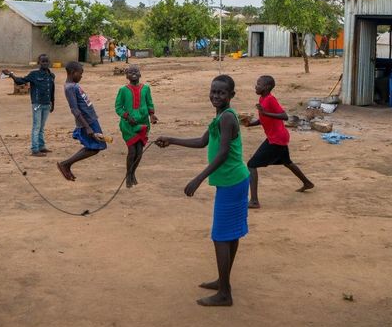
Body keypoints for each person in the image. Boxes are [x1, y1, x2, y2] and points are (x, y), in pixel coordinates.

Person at [155, 75, 249, 307]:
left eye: (222, 93)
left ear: (231, 96)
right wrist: (171, 140)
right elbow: (202, 142)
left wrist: (198, 179)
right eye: (213, 91)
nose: (216, 96)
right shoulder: (219, 116)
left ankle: (225, 294)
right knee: (231, 234)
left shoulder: (227, 118)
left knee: (220, 236)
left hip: (232, 182)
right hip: (233, 181)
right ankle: (223, 280)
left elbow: (223, 153)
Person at [245, 75, 314, 208]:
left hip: (276, 139)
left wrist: (265, 113)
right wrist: (251, 124)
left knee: (251, 165)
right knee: (287, 162)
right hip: (278, 137)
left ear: (266, 87)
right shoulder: (262, 99)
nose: (256, 86)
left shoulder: (270, 99)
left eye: (258, 84)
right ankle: (307, 183)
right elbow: (264, 118)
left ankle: (254, 201)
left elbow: (284, 116)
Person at [57, 61, 109, 181]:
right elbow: (74, 110)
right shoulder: (70, 87)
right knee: (95, 147)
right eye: (80, 73)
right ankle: (66, 164)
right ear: (72, 72)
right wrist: (87, 127)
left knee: (95, 146)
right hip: (87, 122)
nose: (81, 76)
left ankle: (66, 164)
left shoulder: (74, 85)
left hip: (91, 120)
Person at [2, 54, 56, 157]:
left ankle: (42, 146)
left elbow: (52, 90)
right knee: (36, 126)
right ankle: (35, 149)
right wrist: (11, 75)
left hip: (46, 104)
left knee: (42, 127)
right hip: (37, 104)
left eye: (46, 61)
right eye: (42, 62)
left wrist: (52, 103)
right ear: (38, 63)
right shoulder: (34, 75)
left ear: (49, 62)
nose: (45, 63)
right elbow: (20, 81)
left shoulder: (51, 75)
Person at [114, 65, 158, 187]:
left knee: (139, 152)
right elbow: (118, 107)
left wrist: (152, 115)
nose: (133, 73)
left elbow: (149, 103)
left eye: (136, 71)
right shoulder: (123, 90)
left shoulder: (146, 88)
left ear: (140, 74)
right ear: (126, 76)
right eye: (130, 72)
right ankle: (128, 175)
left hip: (143, 124)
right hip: (128, 126)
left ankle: (133, 173)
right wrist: (127, 116)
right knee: (132, 151)